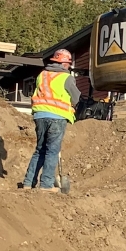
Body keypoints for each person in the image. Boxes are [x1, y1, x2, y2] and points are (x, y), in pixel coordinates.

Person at [22, 49, 80, 190]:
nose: (68, 66)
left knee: (40, 150)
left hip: (40, 116)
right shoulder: (66, 77)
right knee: (52, 151)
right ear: (64, 63)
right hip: (57, 117)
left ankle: (28, 183)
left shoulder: (42, 75)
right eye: (68, 64)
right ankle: (46, 185)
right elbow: (76, 97)